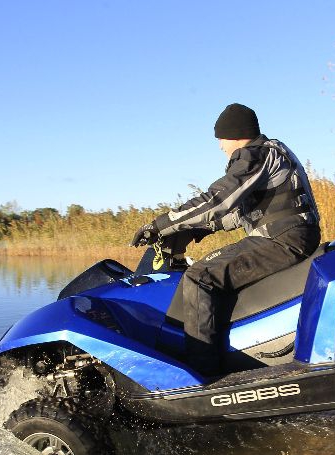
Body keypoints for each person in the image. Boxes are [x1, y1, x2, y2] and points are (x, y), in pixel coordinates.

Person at [130, 103, 321, 378]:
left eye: (221, 138)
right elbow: (239, 214)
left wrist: (161, 224)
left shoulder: (256, 154)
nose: (220, 146)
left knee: (199, 276)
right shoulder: (272, 153)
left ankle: (201, 376)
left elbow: (217, 200)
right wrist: (196, 231)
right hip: (288, 234)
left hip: (283, 238)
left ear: (235, 134)